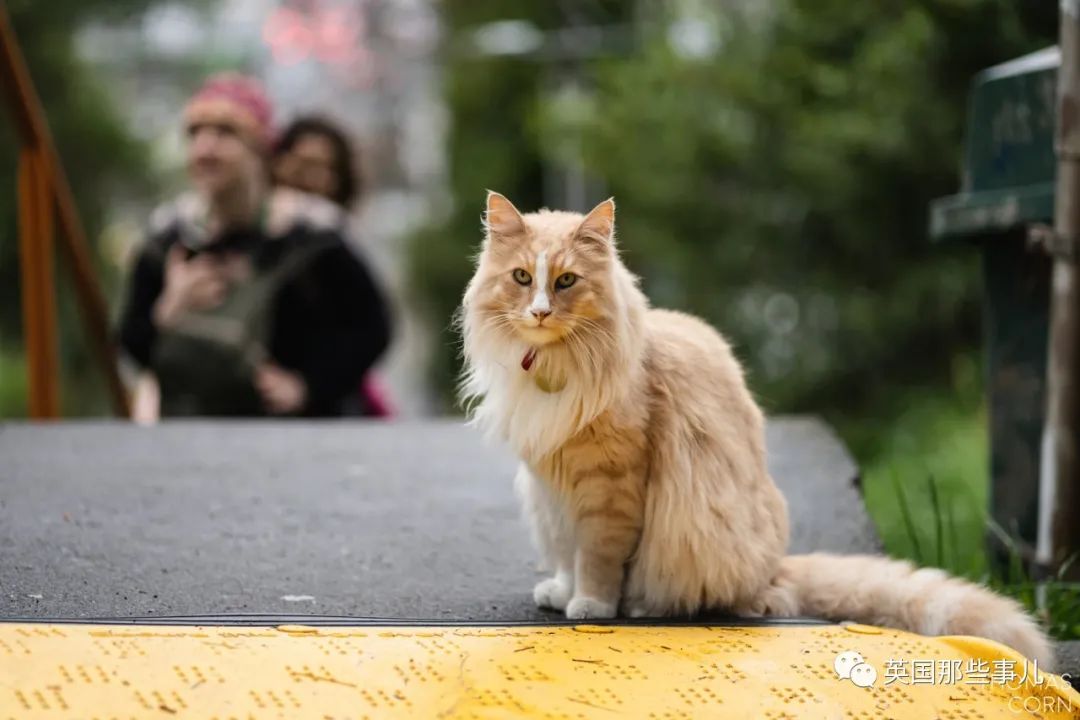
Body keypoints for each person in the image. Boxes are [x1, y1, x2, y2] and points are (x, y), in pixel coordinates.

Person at [118, 73, 391, 418]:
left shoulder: (312, 234)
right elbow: (133, 343)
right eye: (195, 134)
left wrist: (307, 386)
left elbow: (372, 328)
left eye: (225, 134)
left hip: (300, 435)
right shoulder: (169, 237)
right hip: (198, 432)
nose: (205, 149)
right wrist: (168, 310)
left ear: (259, 150)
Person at [272, 114, 395, 418]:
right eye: (302, 164)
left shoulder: (332, 242)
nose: (311, 179)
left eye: (325, 169)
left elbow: (374, 329)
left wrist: (309, 385)